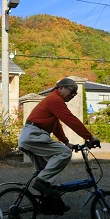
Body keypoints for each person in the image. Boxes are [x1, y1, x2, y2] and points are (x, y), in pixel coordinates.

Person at [18, 77, 99, 211]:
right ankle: (42, 184)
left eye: (75, 94)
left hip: (30, 136)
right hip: (35, 135)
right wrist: (90, 137)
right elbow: (71, 120)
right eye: (72, 91)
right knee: (64, 154)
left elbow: (56, 126)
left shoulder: (52, 101)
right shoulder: (55, 100)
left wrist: (66, 142)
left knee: (44, 172)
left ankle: (44, 203)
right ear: (60, 88)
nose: (72, 95)